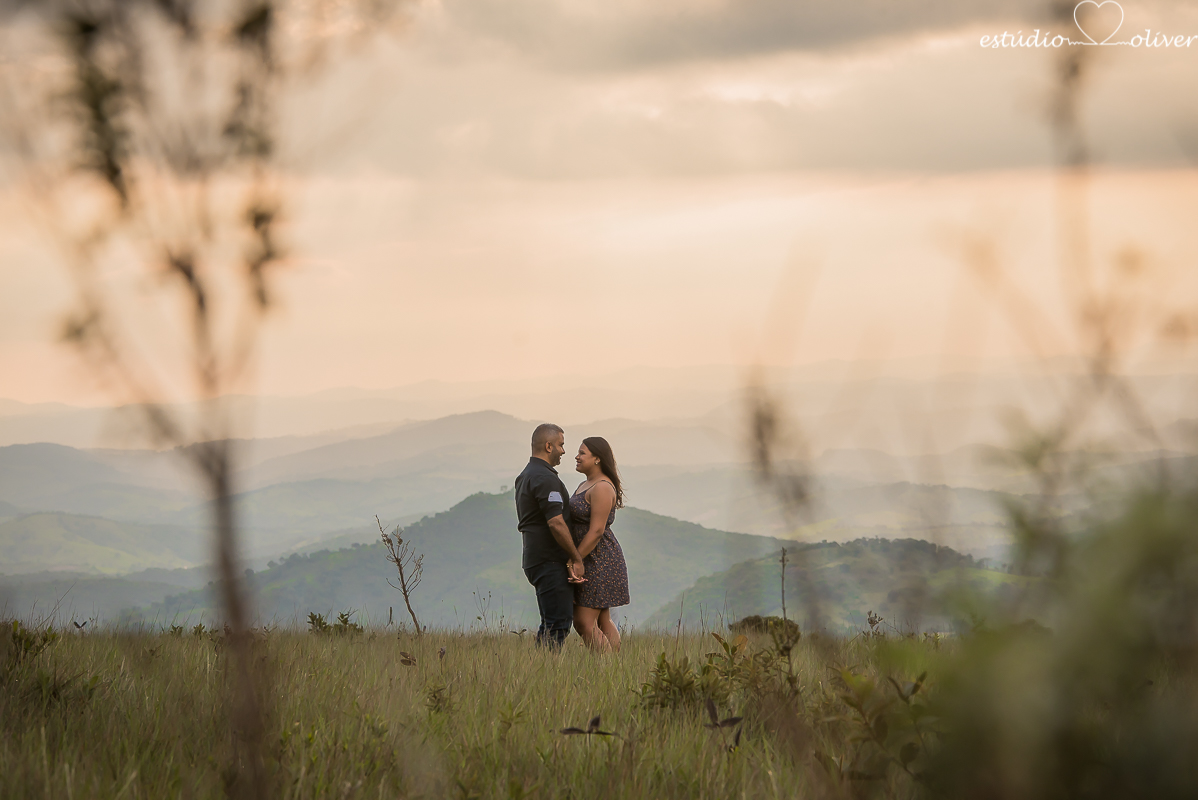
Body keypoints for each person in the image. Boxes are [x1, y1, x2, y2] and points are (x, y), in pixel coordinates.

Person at [514, 423, 588, 649]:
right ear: (548, 446)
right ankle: (544, 670)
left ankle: (539, 669)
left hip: (535, 558)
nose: (564, 451)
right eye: (560, 445)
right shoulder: (545, 478)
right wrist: (576, 557)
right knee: (558, 624)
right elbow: (556, 522)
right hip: (549, 561)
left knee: (550, 622)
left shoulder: (526, 475)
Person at [569, 436, 630, 653]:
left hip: (600, 560)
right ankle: (614, 670)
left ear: (597, 458)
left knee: (583, 622)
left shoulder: (603, 487)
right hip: (591, 558)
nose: (576, 456)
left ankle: (605, 667)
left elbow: (596, 531)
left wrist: (575, 559)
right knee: (603, 620)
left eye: (582, 453)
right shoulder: (585, 484)